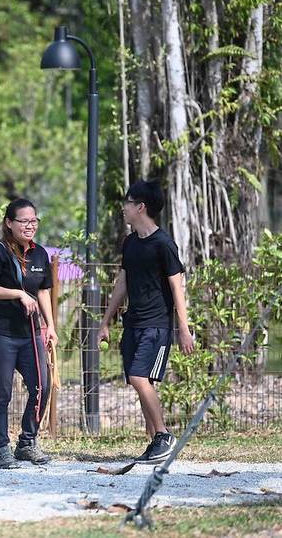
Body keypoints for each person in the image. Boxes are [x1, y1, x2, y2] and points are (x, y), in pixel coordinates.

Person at [97, 179, 194, 464]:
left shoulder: (164, 244)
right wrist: (105, 322)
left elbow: (178, 287)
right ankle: (156, 443)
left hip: (157, 326)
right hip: (133, 324)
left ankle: (164, 436)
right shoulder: (130, 243)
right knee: (141, 382)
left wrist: (183, 329)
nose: (123, 209)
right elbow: (122, 282)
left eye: (127, 203)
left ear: (140, 207)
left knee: (140, 378)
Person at [0, 198, 58, 469]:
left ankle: (27, 441)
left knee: (42, 386)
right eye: (23, 221)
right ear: (9, 223)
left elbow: (44, 291)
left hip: (32, 334)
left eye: (34, 221)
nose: (29, 226)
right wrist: (17, 294)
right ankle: (2, 448)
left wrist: (50, 326)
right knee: (2, 392)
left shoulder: (40, 255)